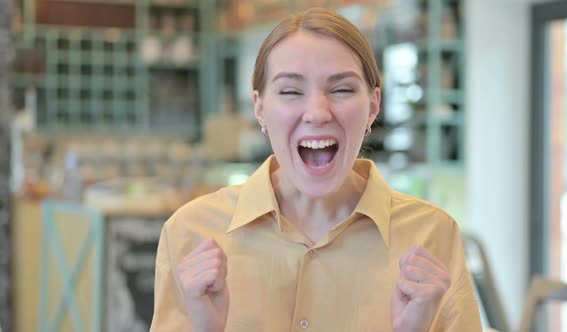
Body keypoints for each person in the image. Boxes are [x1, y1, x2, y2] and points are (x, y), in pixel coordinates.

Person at [150, 7, 482, 332]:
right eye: (291, 91)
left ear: (373, 106)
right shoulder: (189, 232)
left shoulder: (432, 236)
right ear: (260, 108)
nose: (317, 113)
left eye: (342, 89)